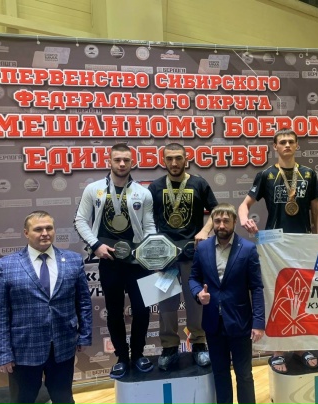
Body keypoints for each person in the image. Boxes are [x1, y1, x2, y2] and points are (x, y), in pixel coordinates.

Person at [238, 127, 318, 374]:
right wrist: (244, 219)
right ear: (274, 146)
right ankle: (277, 350)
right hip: (274, 244)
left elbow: (316, 208)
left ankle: (299, 346)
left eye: (291, 141)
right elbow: (244, 205)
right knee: (277, 296)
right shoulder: (266, 175)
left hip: (303, 242)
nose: (287, 145)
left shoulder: (308, 174)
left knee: (303, 295)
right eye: (282, 142)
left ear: (297, 145)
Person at [0, 211, 92, 404]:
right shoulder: (6, 265)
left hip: (63, 346)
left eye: (49, 228)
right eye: (38, 229)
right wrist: (2, 353)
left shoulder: (73, 260)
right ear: (26, 233)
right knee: (22, 400)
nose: (45, 233)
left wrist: (85, 335)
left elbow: (84, 302)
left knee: (64, 399)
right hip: (24, 350)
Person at [74, 143, 156, 379]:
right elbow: (80, 220)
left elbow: (149, 225)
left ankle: (138, 354)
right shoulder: (93, 189)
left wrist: (149, 248)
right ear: (108, 161)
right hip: (109, 260)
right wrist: (96, 245)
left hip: (139, 261)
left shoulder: (143, 192)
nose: (121, 164)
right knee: (114, 311)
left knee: (142, 310)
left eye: (126, 160)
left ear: (133, 163)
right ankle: (121, 357)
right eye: (117, 159)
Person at [148, 142, 218, 370]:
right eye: (169, 158)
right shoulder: (155, 187)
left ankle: (199, 343)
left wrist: (205, 231)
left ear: (186, 159)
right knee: (165, 306)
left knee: (196, 302)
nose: (174, 162)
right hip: (164, 256)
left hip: (193, 254)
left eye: (178, 157)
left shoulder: (199, 183)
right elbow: (145, 220)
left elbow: (217, 211)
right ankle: (169, 347)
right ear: (163, 161)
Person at [189, 203, 264, 404]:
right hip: (213, 323)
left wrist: (258, 322)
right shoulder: (202, 248)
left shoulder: (247, 249)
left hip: (240, 323)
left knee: (244, 375)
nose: (221, 225)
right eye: (217, 221)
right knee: (220, 374)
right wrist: (198, 293)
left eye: (226, 221)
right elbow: (194, 278)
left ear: (234, 222)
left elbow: (256, 287)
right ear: (212, 222)